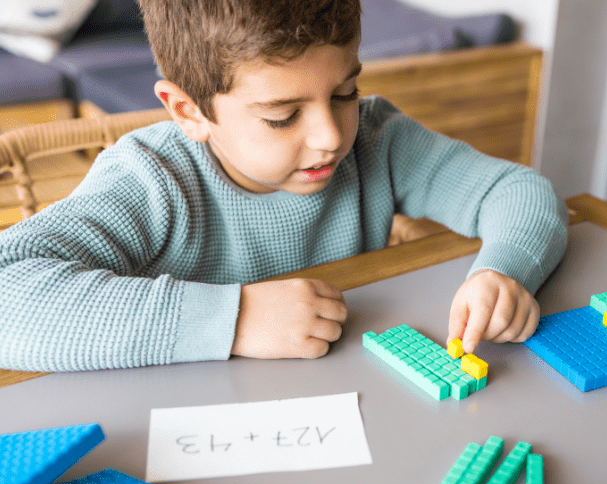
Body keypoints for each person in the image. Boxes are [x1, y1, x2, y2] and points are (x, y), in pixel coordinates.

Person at [0, 0, 568, 372]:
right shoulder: (152, 179)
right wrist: (235, 318)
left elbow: (517, 192)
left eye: (344, 94)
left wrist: (505, 269)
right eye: (282, 115)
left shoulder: (376, 137)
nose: (330, 136)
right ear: (188, 110)